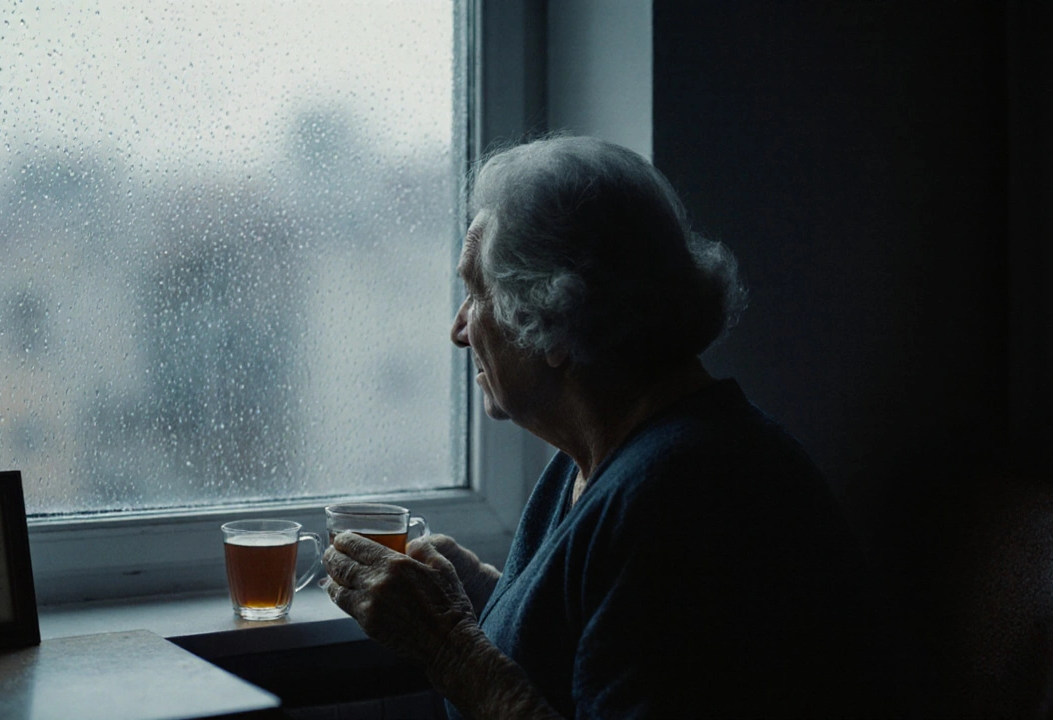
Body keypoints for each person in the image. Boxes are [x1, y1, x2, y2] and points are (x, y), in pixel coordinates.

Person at [323, 136, 883, 719]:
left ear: (554, 321)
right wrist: (476, 596)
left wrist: (450, 648)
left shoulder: (690, 497)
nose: (460, 329)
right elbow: (581, 645)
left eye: (475, 291)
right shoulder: (594, 459)